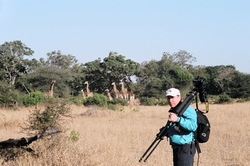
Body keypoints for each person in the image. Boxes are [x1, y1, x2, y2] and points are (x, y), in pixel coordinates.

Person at [165, 88, 197, 166]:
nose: (170, 100)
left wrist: (178, 119)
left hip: (185, 147)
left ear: (179, 97)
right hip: (177, 147)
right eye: (168, 98)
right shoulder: (175, 110)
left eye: (172, 97)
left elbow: (193, 126)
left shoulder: (187, 109)